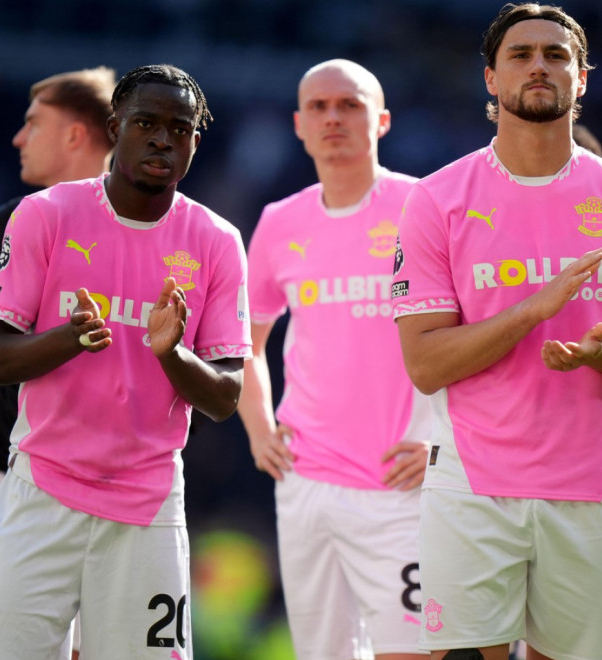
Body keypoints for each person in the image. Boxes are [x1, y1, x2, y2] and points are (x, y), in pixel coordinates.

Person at [391, 4, 602, 660]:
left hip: (590, 488)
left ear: (581, 79)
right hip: (470, 483)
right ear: (491, 78)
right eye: (520, 54)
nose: (539, 66)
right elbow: (426, 364)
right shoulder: (436, 199)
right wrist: (532, 310)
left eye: (556, 55)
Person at [0, 63, 250, 659]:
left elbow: (226, 397)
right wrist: (69, 338)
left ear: (195, 142)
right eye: (146, 123)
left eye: (180, 129)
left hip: (148, 507)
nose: (162, 139)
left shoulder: (218, 241)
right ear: (115, 125)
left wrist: (172, 353)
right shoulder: (44, 213)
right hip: (40, 493)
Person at [237, 59, 430, 660]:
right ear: (299, 124)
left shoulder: (423, 205)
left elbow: (468, 335)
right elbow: (243, 340)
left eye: (349, 104)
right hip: (306, 482)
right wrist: (259, 429)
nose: (333, 118)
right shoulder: (279, 222)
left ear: (382, 120)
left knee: (413, 653)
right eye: (318, 107)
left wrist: (439, 441)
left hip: (402, 481)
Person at [0, 66, 116, 660]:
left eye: (33, 123)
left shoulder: (140, 226)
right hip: (0, 463)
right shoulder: (8, 219)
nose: (18, 137)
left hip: (94, 478)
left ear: (75, 135)